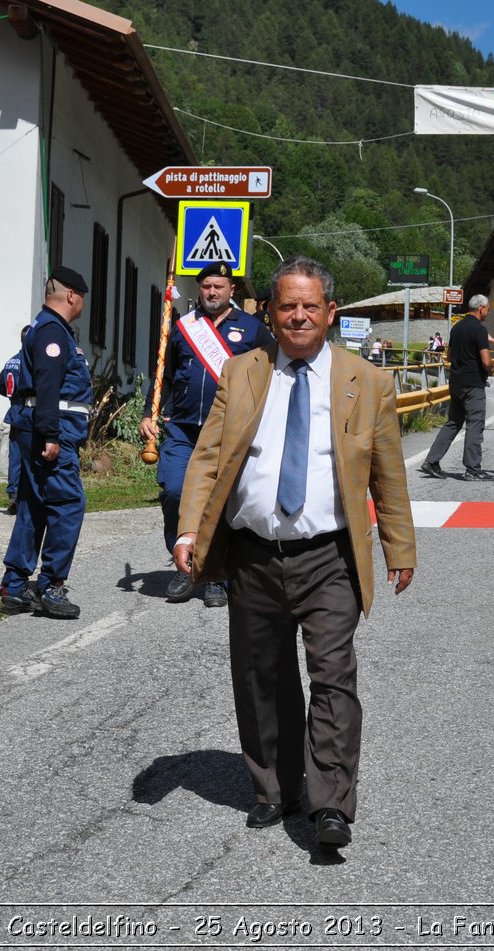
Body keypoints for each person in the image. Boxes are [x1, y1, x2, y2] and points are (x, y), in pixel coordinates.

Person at [173, 256, 415, 849]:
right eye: (287, 306)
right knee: (262, 677)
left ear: (330, 313)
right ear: (271, 314)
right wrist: (188, 532)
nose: (299, 316)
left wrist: (398, 546)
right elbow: (207, 459)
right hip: (254, 554)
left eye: (311, 306)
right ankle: (274, 789)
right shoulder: (243, 372)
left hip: (329, 555)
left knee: (333, 675)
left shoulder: (368, 382)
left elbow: (387, 474)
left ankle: (330, 802)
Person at [139, 261, 269, 609]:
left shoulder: (253, 330)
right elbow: (163, 375)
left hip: (228, 431)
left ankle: (217, 574)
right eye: (206, 286)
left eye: (219, 286)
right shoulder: (183, 327)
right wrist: (147, 415)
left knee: (223, 501)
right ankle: (183, 561)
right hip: (181, 427)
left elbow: (270, 375)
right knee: (174, 491)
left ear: (231, 291)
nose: (212, 292)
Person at [0, 269, 94, 620]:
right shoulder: (54, 332)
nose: (83, 302)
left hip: (38, 428)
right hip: (53, 433)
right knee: (68, 505)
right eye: (82, 295)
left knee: (33, 505)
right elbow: (48, 385)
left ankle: (16, 583)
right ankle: (51, 585)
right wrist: (51, 435)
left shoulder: (45, 328)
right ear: (71, 296)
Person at [418, 294, 494, 482]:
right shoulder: (479, 330)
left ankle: (431, 461)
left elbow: (450, 355)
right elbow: (486, 360)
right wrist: (490, 368)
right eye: (487, 309)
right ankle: (472, 469)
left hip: (456, 382)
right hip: (473, 384)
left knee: (453, 422)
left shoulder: (457, 328)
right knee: (475, 425)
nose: (488, 313)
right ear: (480, 308)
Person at [0, 327, 30, 516]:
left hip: (15, 412)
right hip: (29, 412)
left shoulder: (12, 361)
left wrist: (11, 397)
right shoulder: (31, 361)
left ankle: (13, 496)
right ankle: (27, 497)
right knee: (30, 455)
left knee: (15, 458)